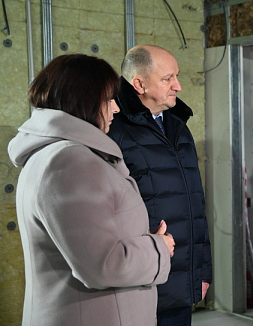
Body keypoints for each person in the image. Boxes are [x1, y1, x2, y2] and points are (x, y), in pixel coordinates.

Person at [7, 54, 174, 326]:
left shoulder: (58, 156)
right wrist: (159, 248)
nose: (115, 109)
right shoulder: (70, 162)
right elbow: (102, 265)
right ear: (83, 100)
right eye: (108, 100)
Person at [107, 45, 212, 326]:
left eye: (176, 76)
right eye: (168, 79)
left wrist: (201, 272)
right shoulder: (113, 130)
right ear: (139, 84)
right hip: (140, 280)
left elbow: (194, 204)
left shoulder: (178, 126)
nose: (178, 86)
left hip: (181, 279)